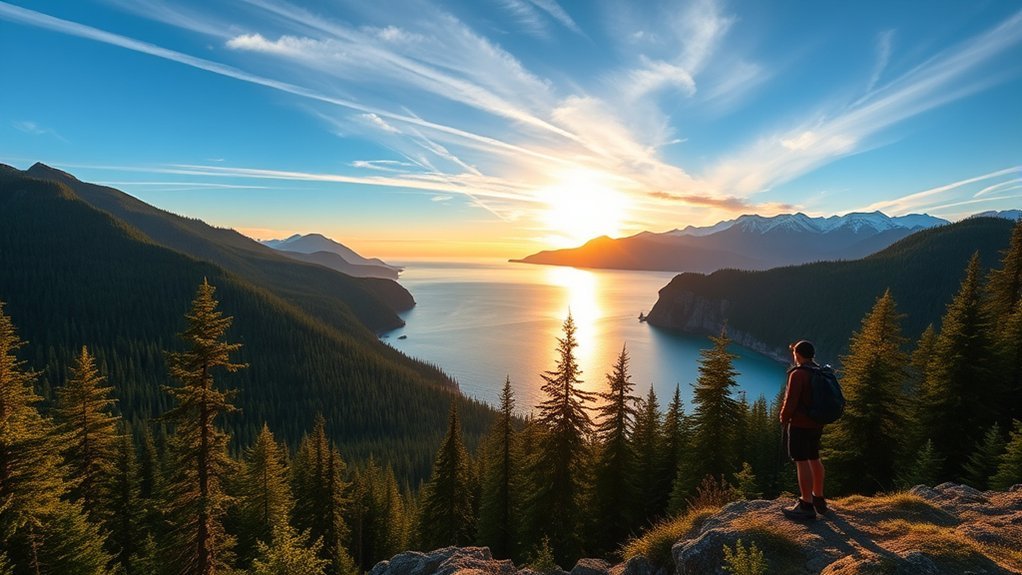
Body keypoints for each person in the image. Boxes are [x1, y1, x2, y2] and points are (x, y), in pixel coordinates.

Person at [779, 339, 827, 520]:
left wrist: (783, 418)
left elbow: (791, 402)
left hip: (800, 424)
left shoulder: (798, 374)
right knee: (814, 457)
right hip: (816, 423)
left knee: (801, 461)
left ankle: (806, 504)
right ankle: (819, 498)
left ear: (797, 354)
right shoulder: (819, 371)